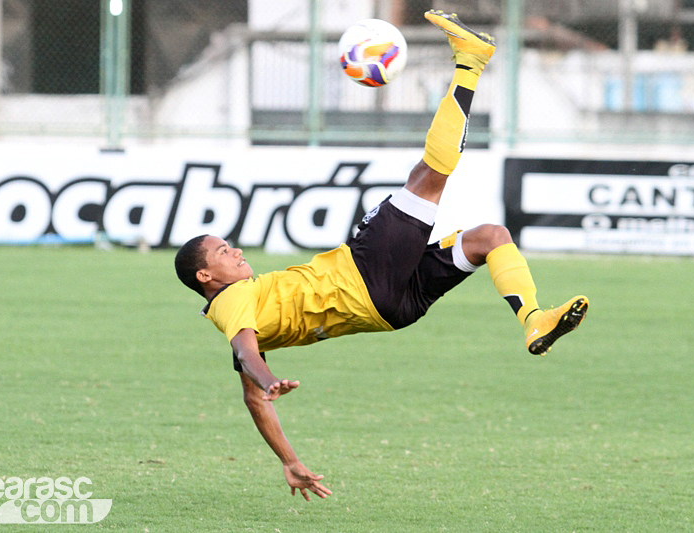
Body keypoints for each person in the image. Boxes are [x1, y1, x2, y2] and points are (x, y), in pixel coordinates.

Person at [174, 10, 588, 501]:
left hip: (394, 310)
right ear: (206, 274)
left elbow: (250, 395)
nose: (236, 250)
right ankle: (471, 62)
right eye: (224, 250)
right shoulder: (230, 303)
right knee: (428, 177)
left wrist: (290, 459)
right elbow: (245, 350)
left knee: (489, 238)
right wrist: (269, 378)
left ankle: (534, 320)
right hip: (363, 274)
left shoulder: (240, 305)